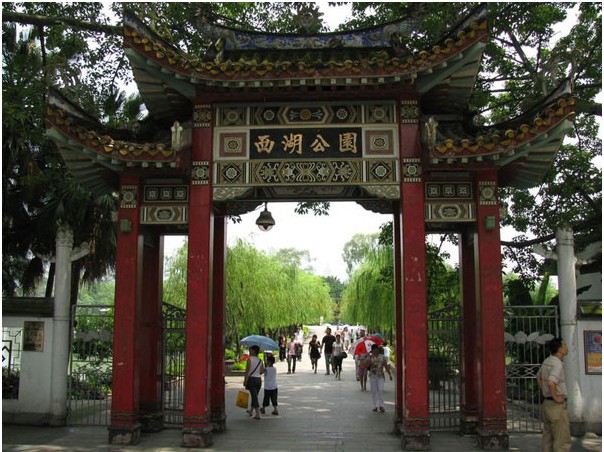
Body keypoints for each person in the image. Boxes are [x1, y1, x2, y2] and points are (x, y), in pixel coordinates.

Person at [536, 337, 571, 452]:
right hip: (556, 406)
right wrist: (555, 396)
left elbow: (538, 377)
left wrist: (545, 391)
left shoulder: (547, 361)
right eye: (564, 345)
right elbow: (551, 382)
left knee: (548, 438)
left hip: (547, 403)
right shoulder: (557, 364)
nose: (566, 347)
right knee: (561, 440)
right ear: (560, 349)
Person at [365, 343, 392, 412]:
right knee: (374, 391)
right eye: (374, 349)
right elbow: (366, 366)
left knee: (380, 390)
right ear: (372, 350)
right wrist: (368, 363)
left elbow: (386, 366)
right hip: (372, 376)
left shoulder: (382, 357)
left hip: (380, 376)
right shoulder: (370, 357)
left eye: (376, 349)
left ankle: (381, 405)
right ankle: (375, 406)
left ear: (378, 349)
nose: (375, 351)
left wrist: (389, 374)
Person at [243, 345, 265, 420]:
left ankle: (258, 414)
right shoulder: (260, 360)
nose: (249, 351)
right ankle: (251, 410)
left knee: (254, 396)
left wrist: (245, 381)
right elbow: (262, 371)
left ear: (254, 351)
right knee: (254, 396)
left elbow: (247, 371)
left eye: (251, 350)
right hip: (258, 380)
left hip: (251, 380)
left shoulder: (249, 360)